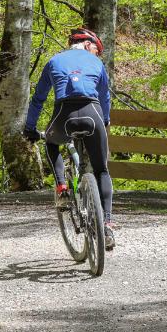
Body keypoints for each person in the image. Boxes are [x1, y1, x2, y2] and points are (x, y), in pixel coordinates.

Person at [22, 28, 115, 250]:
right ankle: (108, 225)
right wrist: (106, 120)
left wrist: (30, 128)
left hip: (63, 115)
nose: (96, 54)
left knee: (52, 143)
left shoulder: (54, 61)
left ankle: (62, 188)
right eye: (96, 49)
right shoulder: (97, 64)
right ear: (86, 44)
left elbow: (38, 98)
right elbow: (105, 97)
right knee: (102, 170)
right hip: (93, 114)